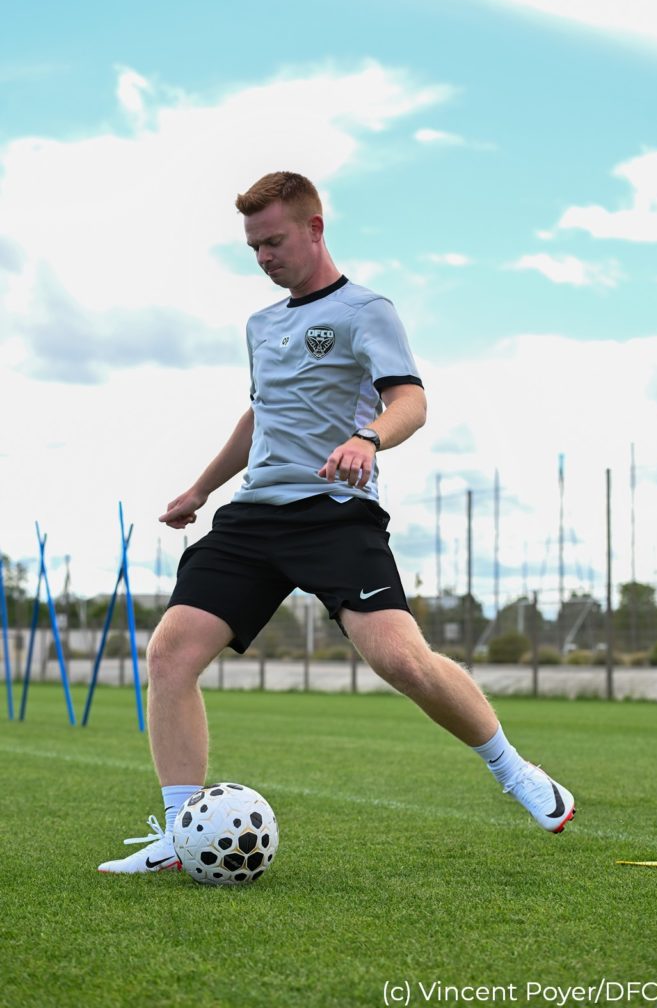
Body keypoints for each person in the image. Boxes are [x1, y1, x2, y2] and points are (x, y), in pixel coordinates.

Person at [98, 171, 575, 874]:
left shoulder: (365, 310)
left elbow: (409, 400)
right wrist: (199, 489)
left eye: (274, 241)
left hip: (335, 513)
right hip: (253, 517)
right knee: (169, 654)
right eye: (254, 247)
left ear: (314, 228)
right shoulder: (261, 325)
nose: (264, 257)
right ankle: (180, 831)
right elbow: (262, 415)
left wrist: (368, 439)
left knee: (401, 661)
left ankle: (515, 770)